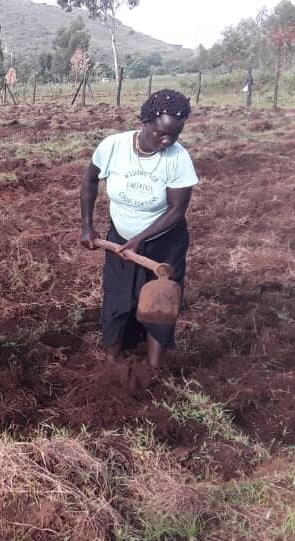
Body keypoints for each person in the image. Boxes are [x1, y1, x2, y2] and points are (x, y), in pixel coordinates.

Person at [80, 89, 198, 369]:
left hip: (164, 243)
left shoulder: (178, 158)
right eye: (161, 134)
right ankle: (113, 362)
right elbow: (89, 180)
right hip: (121, 239)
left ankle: (154, 369)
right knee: (118, 300)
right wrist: (87, 226)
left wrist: (140, 238)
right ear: (145, 122)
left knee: (161, 304)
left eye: (175, 135)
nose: (168, 140)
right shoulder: (114, 146)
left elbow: (176, 210)